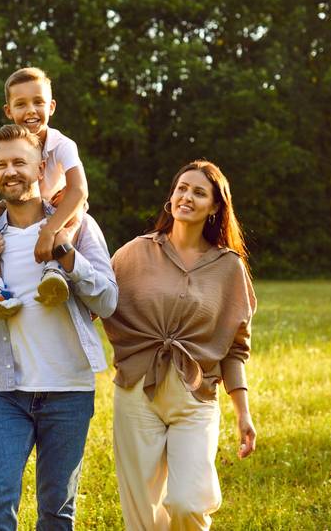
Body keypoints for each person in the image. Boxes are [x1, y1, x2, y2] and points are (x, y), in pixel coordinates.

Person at [0, 124, 118, 530]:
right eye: (2, 164)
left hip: (69, 393)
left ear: (41, 166)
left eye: (20, 162)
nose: (11, 171)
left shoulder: (78, 227)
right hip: (6, 394)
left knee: (56, 511)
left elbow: (109, 301)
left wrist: (65, 255)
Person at [102, 160, 257, 531]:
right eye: (181, 189)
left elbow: (235, 348)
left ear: (216, 206)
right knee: (141, 515)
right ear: (170, 199)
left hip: (196, 395)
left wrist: (243, 413)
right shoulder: (134, 253)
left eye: (199, 192)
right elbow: (95, 301)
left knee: (188, 503)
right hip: (138, 389)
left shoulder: (229, 268)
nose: (187, 196)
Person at [0, 67, 89, 321]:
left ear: (51, 107)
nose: (31, 110)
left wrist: (51, 230)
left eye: (38, 102)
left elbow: (79, 189)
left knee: (76, 207)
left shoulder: (62, 144)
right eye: (21, 104)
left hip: (53, 209)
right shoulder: (8, 148)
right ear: (9, 111)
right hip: (18, 204)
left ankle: (54, 270)